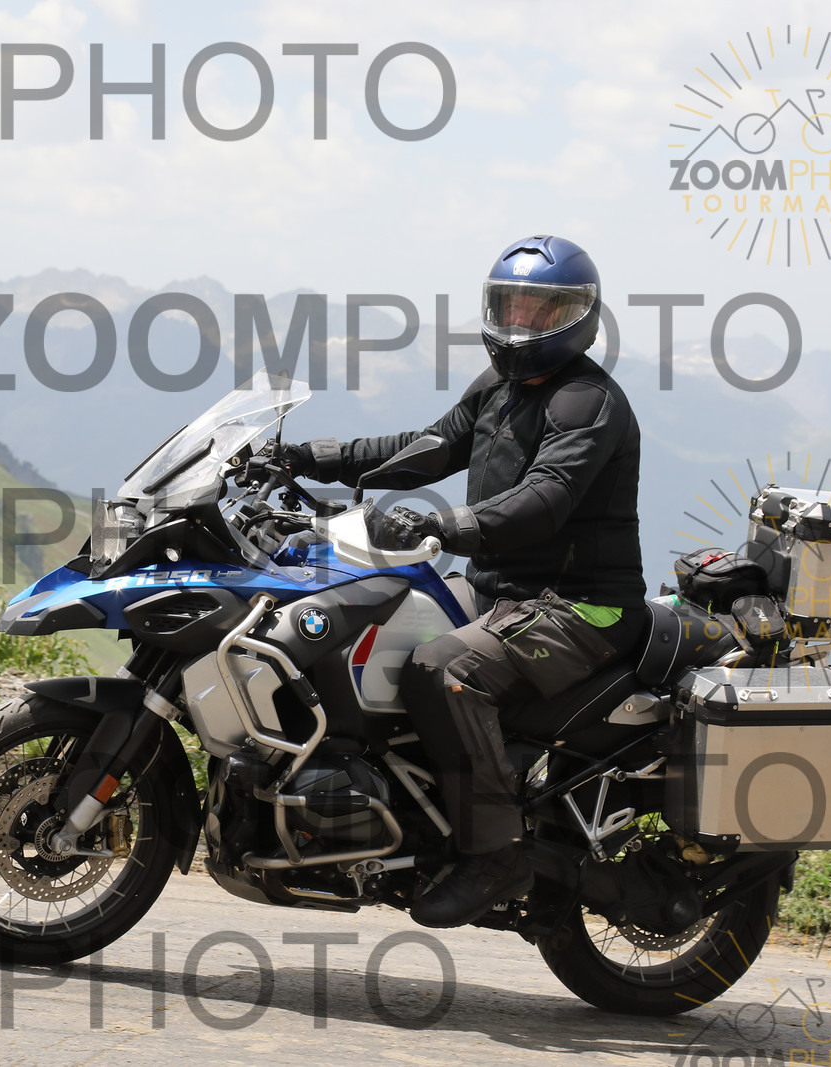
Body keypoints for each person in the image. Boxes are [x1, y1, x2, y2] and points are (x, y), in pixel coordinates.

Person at [276, 235, 648, 928]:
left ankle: (495, 852)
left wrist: (445, 524)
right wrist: (307, 456)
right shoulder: (497, 389)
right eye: (512, 307)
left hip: (581, 607)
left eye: (541, 311)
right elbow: (426, 448)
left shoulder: (586, 400)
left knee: (444, 669)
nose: (521, 323)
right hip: (498, 590)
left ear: (578, 315)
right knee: (365, 610)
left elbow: (545, 498)